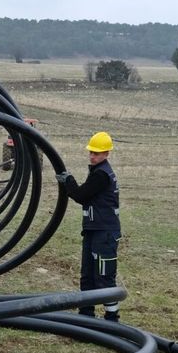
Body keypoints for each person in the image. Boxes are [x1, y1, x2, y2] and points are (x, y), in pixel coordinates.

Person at [55, 132, 122, 322]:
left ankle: (111, 318)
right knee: (88, 275)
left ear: (106, 154)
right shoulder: (97, 171)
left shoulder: (101, 174)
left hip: (105, 233)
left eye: (97, 153)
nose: (93, 156)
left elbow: (80, 195)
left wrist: (68, 181)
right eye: (91, 152)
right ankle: (86, 315)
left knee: (104, 275)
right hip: (94, 231)